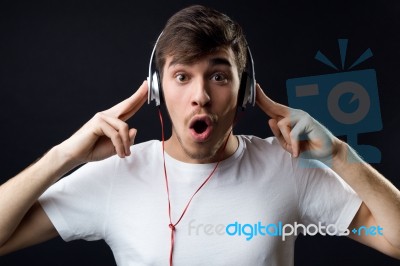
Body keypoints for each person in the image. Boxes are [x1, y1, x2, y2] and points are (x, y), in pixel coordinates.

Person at [0, 4, 399, 266]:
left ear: (244, 91)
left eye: (219, 76)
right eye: (182, 76)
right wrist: (63, 157)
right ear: (158, 90)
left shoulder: (287, 168)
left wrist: (340, 155)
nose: (201, 96)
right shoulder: (118, 173)